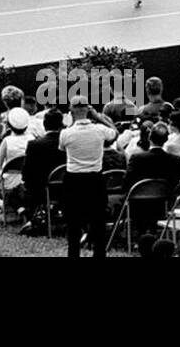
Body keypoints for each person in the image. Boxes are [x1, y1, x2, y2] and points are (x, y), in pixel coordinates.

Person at [58, 97, 116, 257]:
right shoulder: (99, 130)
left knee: (73, 224)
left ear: (71, 110)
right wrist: (98, 117)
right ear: (87, 109)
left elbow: (62, 147)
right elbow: (114, 132)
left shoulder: (66, 133)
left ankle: (73, 254)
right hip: (95, 179)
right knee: (98, 222)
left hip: (74, 180)